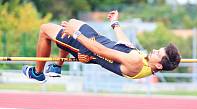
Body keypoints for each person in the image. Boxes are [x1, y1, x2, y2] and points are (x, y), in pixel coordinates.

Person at [22, 10, 181, 82]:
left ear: (159, 64)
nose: (154, 50)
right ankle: (57, 67)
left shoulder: (136, 63)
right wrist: (115, 23)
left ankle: (38, 73)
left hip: (86, 46)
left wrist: (76, 34)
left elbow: (101, 51)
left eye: (157, 53)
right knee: (72, 22)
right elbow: (127, 45)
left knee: (44, 30)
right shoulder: (145, 62)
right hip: (95, 38)